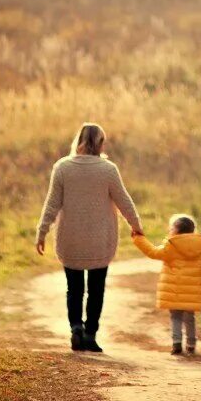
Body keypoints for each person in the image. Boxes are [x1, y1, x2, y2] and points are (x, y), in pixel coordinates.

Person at [36, 122, 144, 352]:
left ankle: (75, 328)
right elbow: (124, 200)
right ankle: (90, 334)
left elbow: (52, 203)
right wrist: (136, 226)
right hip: (99, 240)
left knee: (73, 288)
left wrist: (42, 231)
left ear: (79, 140)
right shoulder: (108, 170)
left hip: (70, 238)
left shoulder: (62, 167)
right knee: (96, 289)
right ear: (101, 143)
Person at [131, 214, 201, 356]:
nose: (169, 230)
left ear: (175, 230)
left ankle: (176, 344)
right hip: (193, 291)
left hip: (173, 290)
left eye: (171, 227)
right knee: (190, 317)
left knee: (175, 317)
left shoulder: (171, 246)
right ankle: (191, 344)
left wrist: (138, 238)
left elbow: (152, 251)